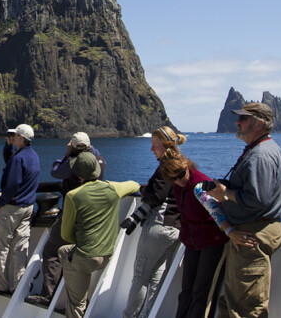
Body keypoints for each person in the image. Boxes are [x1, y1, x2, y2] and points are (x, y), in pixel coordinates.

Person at [206, 103, 281, 318]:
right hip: (252, 231)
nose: (238, 122)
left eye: (243, 119)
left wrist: (225, 194)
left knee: (244, 306)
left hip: (252, 235)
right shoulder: (261, 150)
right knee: (235, 298)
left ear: (259, 123)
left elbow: (256, 199)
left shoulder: (260, 156)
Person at [160, 149, 251, 318]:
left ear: (187, 165)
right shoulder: (178, 186)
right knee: (187, 289)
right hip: (192, 242)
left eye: (181, 174)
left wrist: (230, 232)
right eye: (173, 178)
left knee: (202, 291)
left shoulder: (199, 185)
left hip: (211, 242)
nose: (180, 180)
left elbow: (215, 212)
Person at [26, 132, 106, 307]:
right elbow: (94, 153)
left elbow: (55, 171)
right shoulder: (100, 160)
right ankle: (82, 299)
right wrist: (88, 147)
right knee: (79, 254)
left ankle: (48, 295)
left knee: (52, 251)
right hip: (92, 217)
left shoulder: (74, 163)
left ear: (74, 147)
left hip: (72, 215)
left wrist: (66, 153)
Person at [60, 151, 140, 318]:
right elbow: (134, 184)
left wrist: (81, 240)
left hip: (84, 258)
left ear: (78, 175)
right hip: (106, 256)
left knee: (76, 303)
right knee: (65, 253)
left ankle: (77, 298)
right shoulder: (113, 189)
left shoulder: (73, 196)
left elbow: (66, 235)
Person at [121, 128, 182, 318]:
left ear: (165, 146)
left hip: (159, 225)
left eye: (154, 146)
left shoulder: (166, 165)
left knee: (140, 277)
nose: (151, 150)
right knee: (158, 278)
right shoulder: (180, 164)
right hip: (176, 228)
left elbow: (157, 195)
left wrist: (145, 190)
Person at [0, 123, 40, 294]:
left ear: (20, 137)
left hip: (11, 209)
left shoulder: (18, 158)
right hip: (27, 207)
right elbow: (11, 160)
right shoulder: (33, 156)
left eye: (14, 136)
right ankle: (17, 286)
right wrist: (7, 145)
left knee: (3, 246)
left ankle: (2, 284)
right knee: (21, 247)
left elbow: (12, 184)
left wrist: (2, 201)